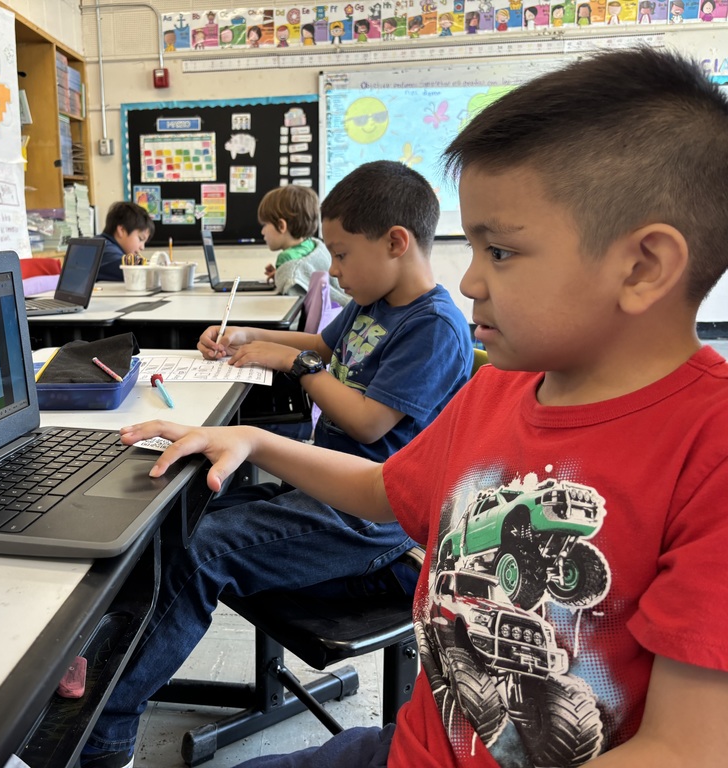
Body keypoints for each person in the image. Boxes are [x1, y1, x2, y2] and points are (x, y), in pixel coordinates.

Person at [120, 47, 728, 768]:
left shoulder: (708, 451)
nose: (468, 280)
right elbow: (386, 488)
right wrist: (255, 439)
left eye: (498, 251)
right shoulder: (502, 387)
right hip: (415, 745)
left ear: (643, 266)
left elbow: (687, 750)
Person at [80, 160, 474, 768]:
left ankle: (106, 728)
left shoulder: (435, 326)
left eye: (341, 256)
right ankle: (109, 663)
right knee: (174, 516)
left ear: (397, 242)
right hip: (321, 487)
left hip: (370, 520)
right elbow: (322, 345)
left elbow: (369, 420)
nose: (334, 270)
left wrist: (294, 366)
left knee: (201, 552)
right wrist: (245, 337)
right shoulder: (376, 301)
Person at [257, 184, 347, 305]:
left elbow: (289, 307)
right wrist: (279, 273)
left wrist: (283, 272)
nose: (262, 231)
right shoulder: (314, 245)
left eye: (265, 225)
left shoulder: (286, 259)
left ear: (281, 226)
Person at [97, 201, 154, 282]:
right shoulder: (104, 249)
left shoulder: (104, 243)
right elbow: (133, 271)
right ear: (122, 230)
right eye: (140, 239)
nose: (142, 247)